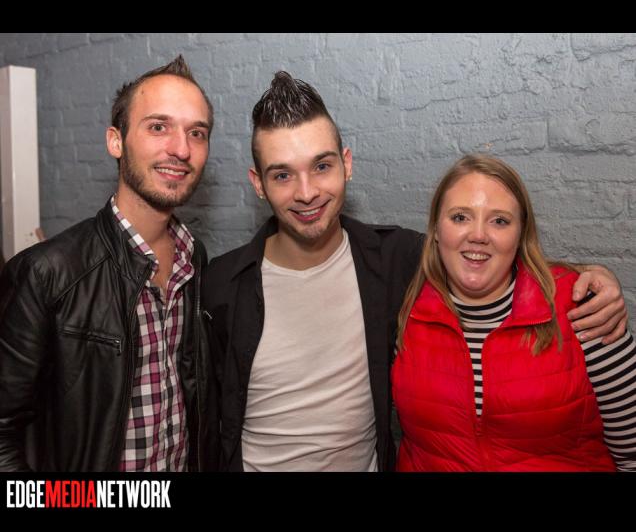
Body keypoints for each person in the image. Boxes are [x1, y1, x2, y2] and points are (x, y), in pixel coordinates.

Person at [202, 72, 627, 472]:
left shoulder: (393, 259)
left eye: (322, 166)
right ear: (258, 184)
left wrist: (591, 276)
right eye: (282, 175)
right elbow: (205, 412)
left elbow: (479, 252)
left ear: (347, 164)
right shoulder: (220, 284)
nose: (307, 191)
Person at [0, 55, 218, 472]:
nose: (181, 149)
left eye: (197, 132)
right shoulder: (48, 273)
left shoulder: (195, 259)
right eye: (158, 127)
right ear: (116, 141)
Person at [392, 154, 636, 471]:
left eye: (500, 221)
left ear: (521, 234)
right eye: (460, 217)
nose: (478, 235)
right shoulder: (405, 309)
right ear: (436, 229)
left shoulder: (583, 309)